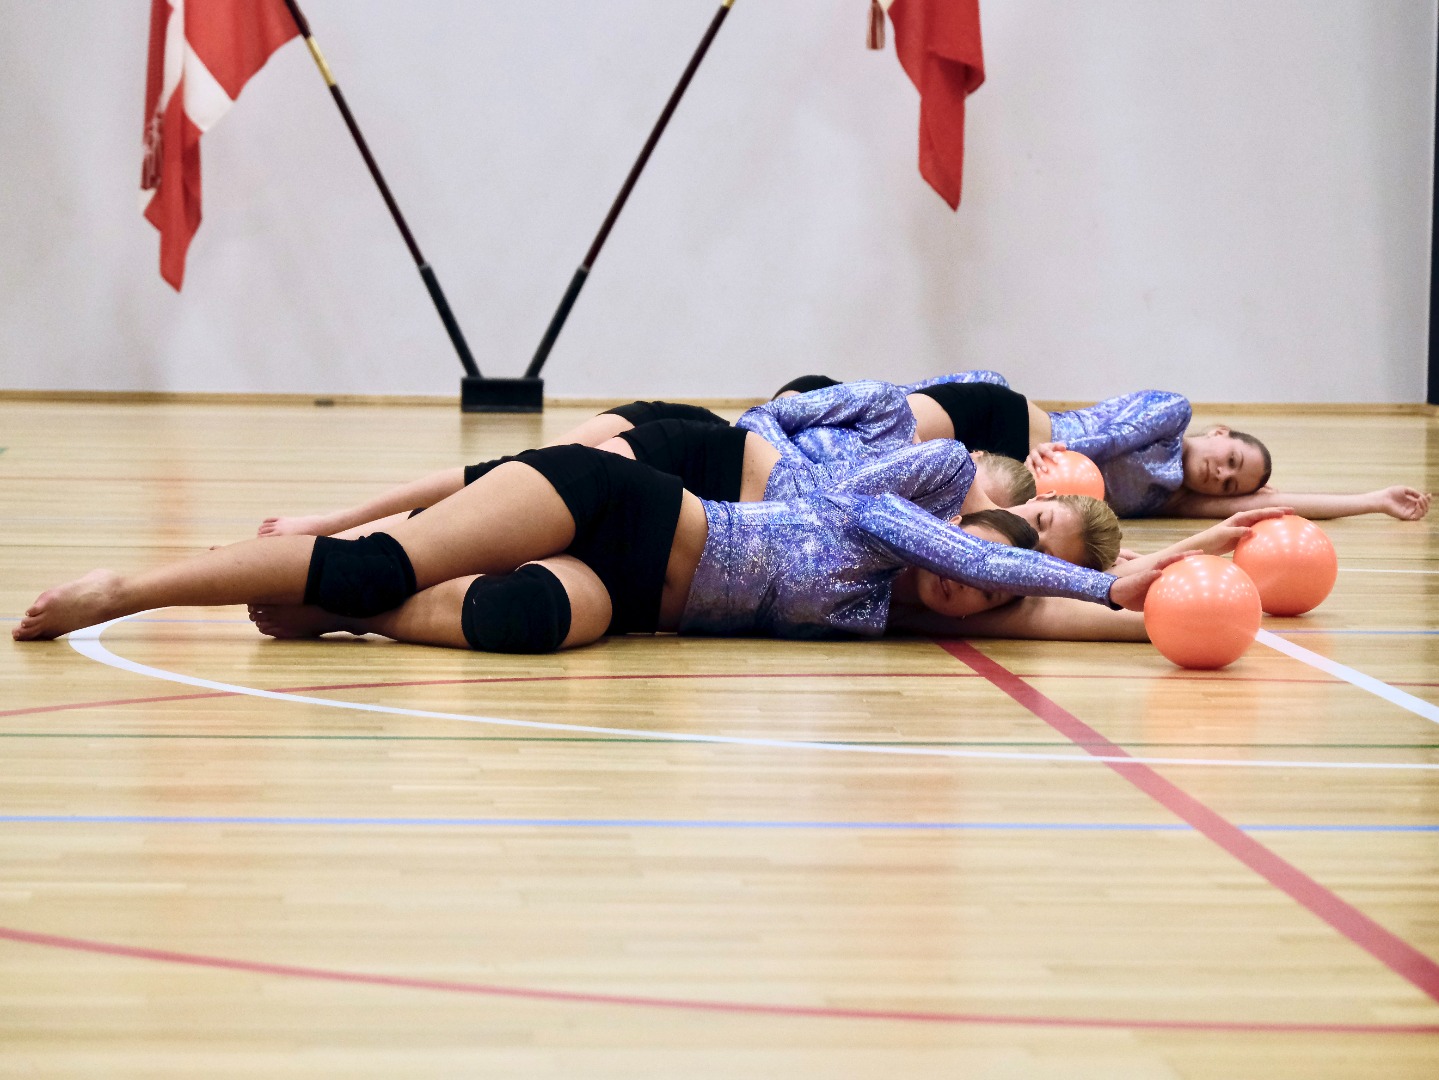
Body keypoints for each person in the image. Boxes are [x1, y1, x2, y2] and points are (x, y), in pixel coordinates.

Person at [14, 441, 1168, 653]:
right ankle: (127, 590)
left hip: (629, 600)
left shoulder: (901, 610)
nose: (960, 589)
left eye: (977, 597)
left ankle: (337, 617)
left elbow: (1043, 616)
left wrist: (1153, 594)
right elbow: (1002, 572)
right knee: (379, 559)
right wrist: (1102, 577)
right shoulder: (884, 513)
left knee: (527, 624)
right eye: (966, 564)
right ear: (955, 534)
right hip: (612, 505)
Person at [258, 381, 1119, 568]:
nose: (966, 510)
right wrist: (783, 469)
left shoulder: (928, 524)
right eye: (982, 496)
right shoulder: (895, 426)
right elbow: (771, 413)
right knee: (506, 478)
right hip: (700, 448)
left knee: (508, 507)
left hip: (697, 495)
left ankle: (355, 546)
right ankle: (334, 527)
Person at [772, 373, 1432, 521]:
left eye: (1230, 481)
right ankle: (792, 407)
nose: (1220, 474)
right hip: (1011, 426)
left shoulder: (1170, 498)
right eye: (1229, 459)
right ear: (1220, 434)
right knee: (877, 419)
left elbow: (1268, 508)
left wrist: (1371, 500)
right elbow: (1101, 436)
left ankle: (789, 434)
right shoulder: (1172, 413)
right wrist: (1051, 460)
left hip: (1014, 471)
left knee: (863, 466)